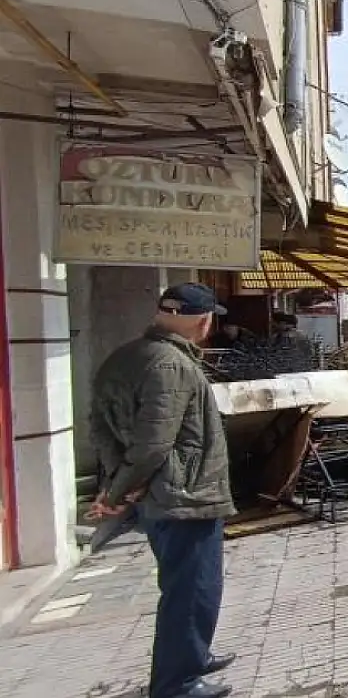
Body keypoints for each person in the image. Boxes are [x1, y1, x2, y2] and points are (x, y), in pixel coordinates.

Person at [88, 283, 237, 698]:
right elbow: (154, 442)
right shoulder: (172, 365)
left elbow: (100, 427)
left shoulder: (124, 357)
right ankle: (178, 683)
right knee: (192, 589)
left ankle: (193, 655)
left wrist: (118, 481)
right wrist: (120, 491)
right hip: (184, 495)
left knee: (185, 584)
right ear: (203, 321)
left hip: (160, 492)